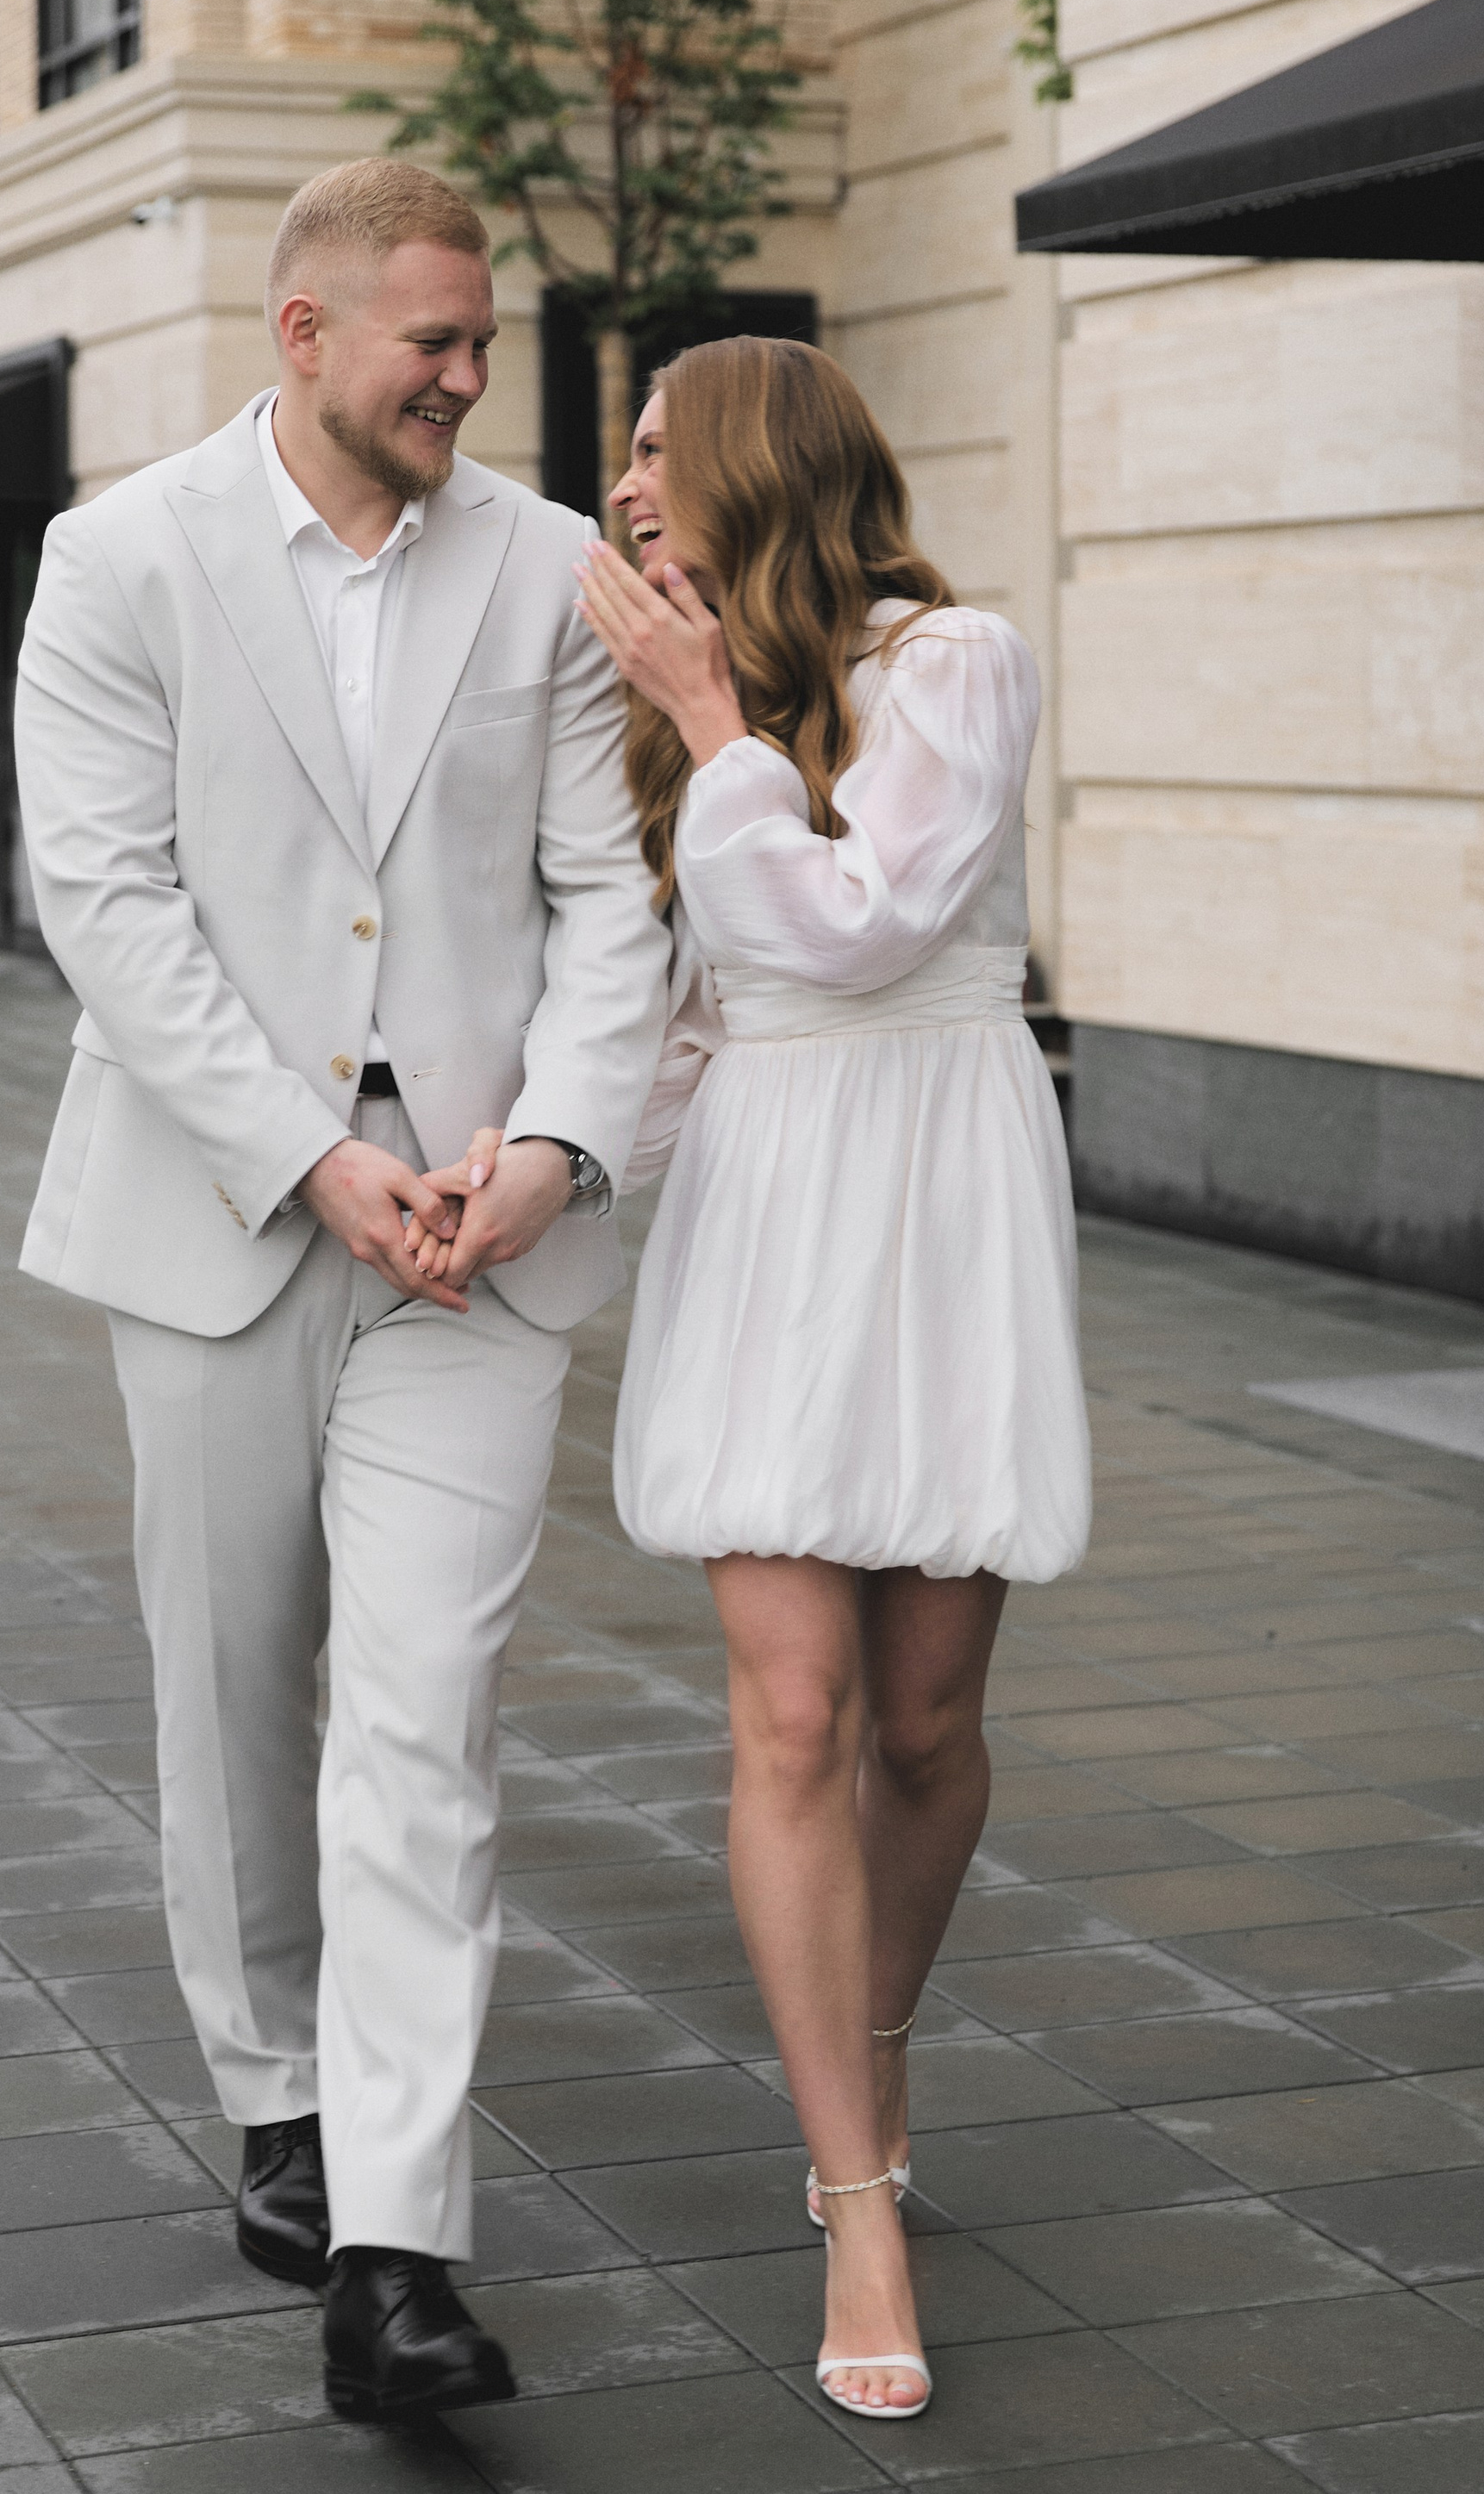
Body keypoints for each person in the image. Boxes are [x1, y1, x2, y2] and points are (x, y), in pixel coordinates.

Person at [13, 158, 670, 2423]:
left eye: (484, 341)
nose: (471, 379)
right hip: (224, 1222)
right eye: (433, 346)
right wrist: (310, 1154)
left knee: (424, 1713)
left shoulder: (556, 561)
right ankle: (276, 2082)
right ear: (301, 334)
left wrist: (561, 1138)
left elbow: (610, 895)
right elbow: (103, 900)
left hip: (483, 1251)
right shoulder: (120, 556)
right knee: (237, 1682)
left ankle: (393, 2239)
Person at [416, 336, 1090, 2421]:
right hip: (768, 1225)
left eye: (646, 451)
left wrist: (709, 718)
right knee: (792, 1712)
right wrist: (536, 1166)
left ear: (751, 468)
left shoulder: (945, 665)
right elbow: (696, 1016)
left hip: (944, 1200)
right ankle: (854, 2185)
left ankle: (867, 2046)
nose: (619, 491)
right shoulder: (677, 730)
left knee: (925, 1714)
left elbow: (863, 924)